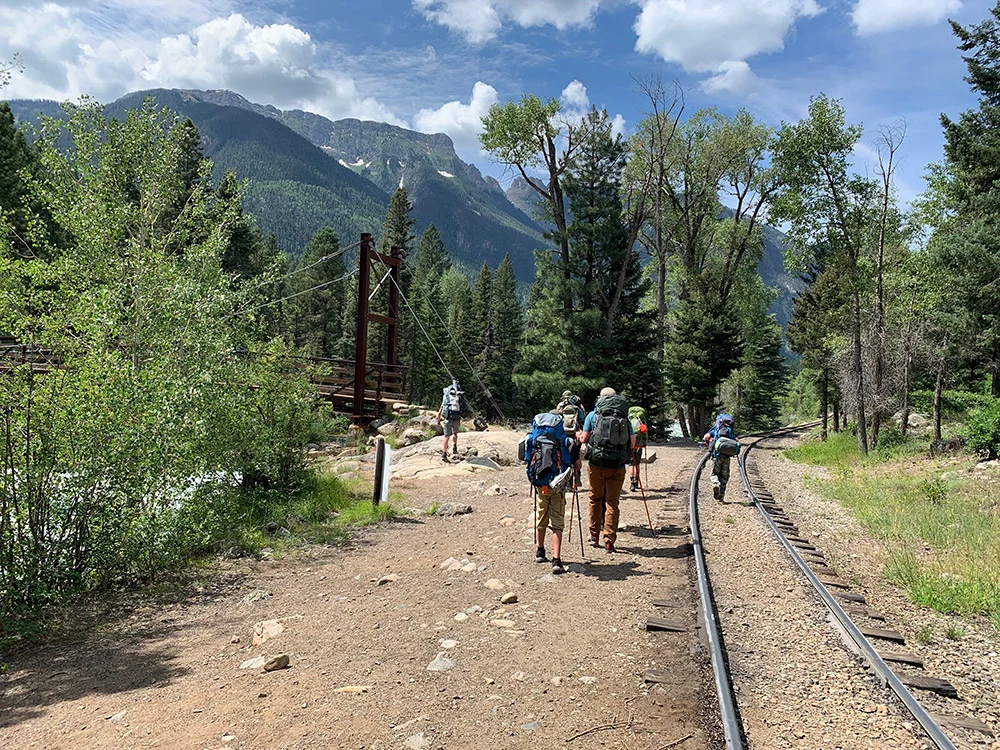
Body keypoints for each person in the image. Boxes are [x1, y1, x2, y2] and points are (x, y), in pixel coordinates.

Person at [578, 387, 634, 554]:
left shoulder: (592, 415)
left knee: (595, 498)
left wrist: (579, 435)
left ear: (600, 399)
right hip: (617, 466)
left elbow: (585, 439)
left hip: (596, 464)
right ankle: (609, 541)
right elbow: (632, 443)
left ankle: (594, 536)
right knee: (612, 502)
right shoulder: (624, 418)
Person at [524, 412, 574, 575]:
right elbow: (570, 462)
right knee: (557, 521)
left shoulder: (532, 438)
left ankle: (540, 551)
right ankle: (556, 560)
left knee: (541, 515)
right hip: (557, 484)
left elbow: (525, 458)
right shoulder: (563, 441)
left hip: (539, 483)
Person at [703, 413, 737, 501]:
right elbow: (736, 442)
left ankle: (715, 484)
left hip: (716, 456)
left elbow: (706, 437)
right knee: (724, 476)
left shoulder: (714, 430)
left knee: (715, 473)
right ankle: (721, 495)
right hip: (727, 457)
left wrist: (709, 443)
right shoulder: (730, 432)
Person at [555, 390, 586, 484]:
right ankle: (577, 475)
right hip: (576, 433)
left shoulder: (560, 405)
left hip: (563, 434)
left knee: (564, 455)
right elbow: (582, 419)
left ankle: (567, 480)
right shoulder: (579, 406)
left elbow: (556, 419)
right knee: (576, 455)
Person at [436, 380, 467, 461]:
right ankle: (454, 447)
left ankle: (444, 452)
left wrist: (438, 421)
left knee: (446, 436)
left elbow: (440, 411)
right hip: (456, 419)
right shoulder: (457, 398)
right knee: (455, 433)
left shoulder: (446, 398)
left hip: (448, 419)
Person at [627, 406, 648, 492]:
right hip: (639, 444)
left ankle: (632, 482)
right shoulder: (641, 421)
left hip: (631, 444)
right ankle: (637, 482)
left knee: (631, 464)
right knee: (637, 463)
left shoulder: (629, 420)